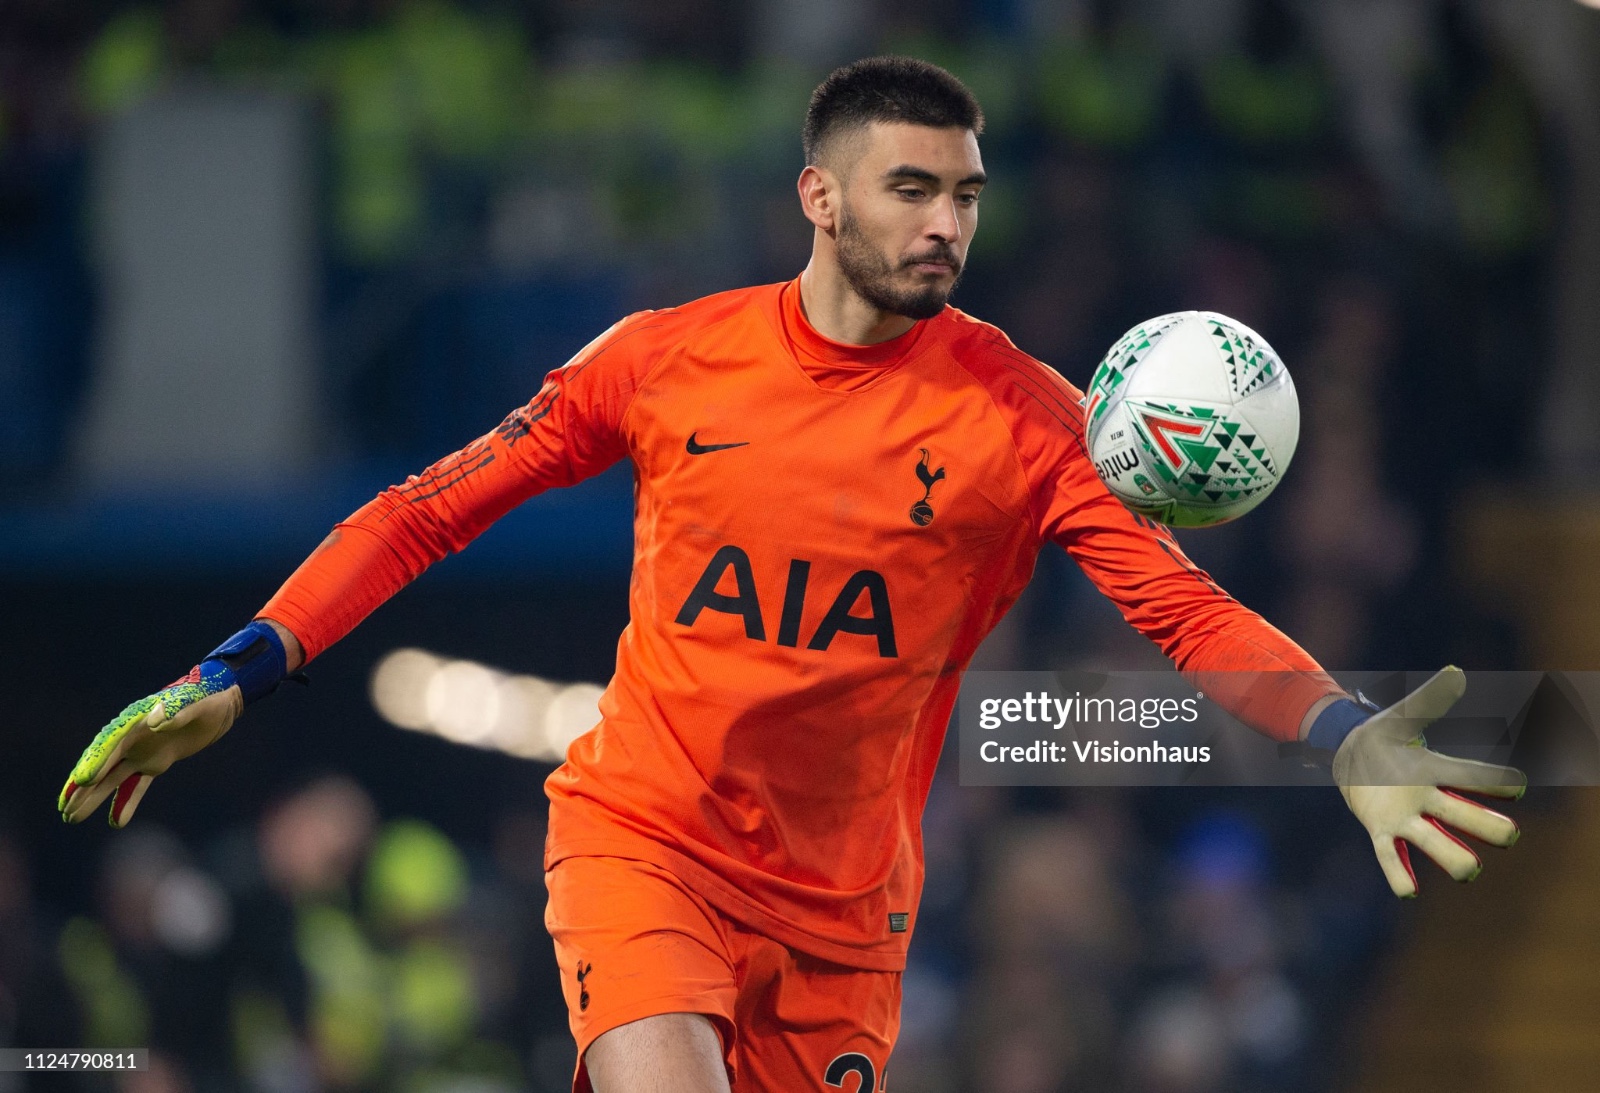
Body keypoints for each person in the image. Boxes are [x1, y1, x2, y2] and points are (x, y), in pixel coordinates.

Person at [59, 57, 1524, 1093]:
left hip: (841, 920)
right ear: (819, 196)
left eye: (967, 194)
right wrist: (239, 667)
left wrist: (1343, 728)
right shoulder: (664, 360)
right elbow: (423, 513)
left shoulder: (1026, 418)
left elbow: (1180, 608)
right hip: (647, 843)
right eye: (911, 189)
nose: (947, 224)